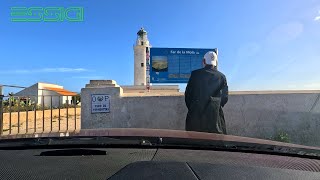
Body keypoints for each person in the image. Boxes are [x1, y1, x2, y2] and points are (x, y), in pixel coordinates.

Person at [185, 51, 228, 134]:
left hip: (195, 116)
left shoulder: (195, 74)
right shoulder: (222, 77)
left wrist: (193, 109)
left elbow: (188, 96)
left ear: (204, 61)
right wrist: (215, 107)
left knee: (195, 140)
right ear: (216, 62)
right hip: (215, 118)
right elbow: (224, 98)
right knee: (215, 142)